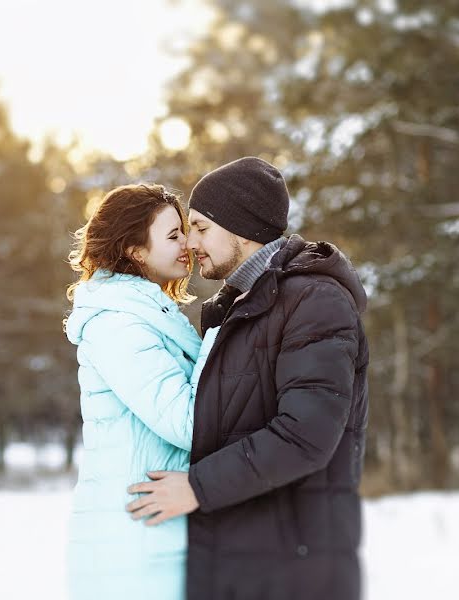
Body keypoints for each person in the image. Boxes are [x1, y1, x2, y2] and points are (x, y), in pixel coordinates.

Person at [125, 157, 371, 600]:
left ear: (240, 228)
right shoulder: (240, 307)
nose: (191, 243)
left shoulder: (314, 301)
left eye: (201, 227)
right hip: (243, 560)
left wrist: (197, 487)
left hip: (295, 569)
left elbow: (306, 435)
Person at [63, 183, 217, 600]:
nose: (189, 243)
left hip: (153, 534)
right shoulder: (118, 324)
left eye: (185, 230)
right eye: (173, 236)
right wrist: (223, 335)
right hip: (133, 545)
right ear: (135, 250)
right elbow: (188, 423)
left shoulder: (148, 316)